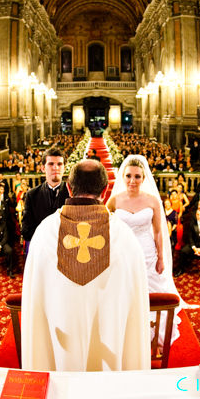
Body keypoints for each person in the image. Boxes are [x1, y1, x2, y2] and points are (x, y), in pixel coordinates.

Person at [22, 159, 150, 371]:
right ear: (106, 190)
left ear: (69, 188)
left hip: (59, 354)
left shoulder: (45, 233)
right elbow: (135, 307)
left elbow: (34, 301)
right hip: (110, 357)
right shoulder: (125, 238)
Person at [108, 155, 184, 345]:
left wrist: (160, 258)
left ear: (143, 178)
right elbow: (104, 229)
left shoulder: (152, 201)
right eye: (128, 176)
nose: (132, 181)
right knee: (123, 290)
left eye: (137, 177)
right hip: (122, 251)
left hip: (147, 252)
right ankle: (125, 331)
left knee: (151, 291)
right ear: (122, 177)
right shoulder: (114, 201)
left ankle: (153, 332)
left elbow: (158, 232)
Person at [21, 148, 70, 251]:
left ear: (64, 168)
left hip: (67, 250)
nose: (55, 167)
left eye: (59, 164)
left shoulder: (73, 194)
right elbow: (26, 230)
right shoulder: (32, 195)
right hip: (42, 250)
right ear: (43, 168)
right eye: (51, 164)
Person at [178, 207, 200, 281]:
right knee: (182, 251)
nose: (199, 216)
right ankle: (181, 268)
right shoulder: (192, 224)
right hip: (194, 244)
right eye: (198, 214)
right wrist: (194, 247)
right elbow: (190, 237)